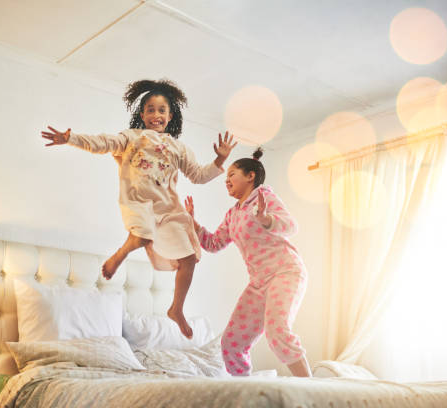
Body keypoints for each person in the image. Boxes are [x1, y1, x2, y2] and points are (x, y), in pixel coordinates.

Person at [41, 79, 237, 339]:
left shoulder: (178, 147)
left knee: (189, 257)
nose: (156, 115)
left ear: (170, 116)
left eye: (161, 110)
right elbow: (103, 143)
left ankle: (176, 308)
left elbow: (199, 175)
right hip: (138, 201)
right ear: (142, 114)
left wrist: (220, 159)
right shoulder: (131, 137)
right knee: (143, 236)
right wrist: (70, 138)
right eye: (151, 109)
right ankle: (122, 252)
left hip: (168, 207)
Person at [184, 148, 311, 377]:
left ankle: (312, 390)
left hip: (285, 272)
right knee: (231, 343)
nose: (227, 180)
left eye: (232, 174)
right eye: (226, 177)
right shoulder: (233, 214)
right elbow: (214, 244)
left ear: (250, 175)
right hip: (259, 283)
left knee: (278, 331)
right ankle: (246, 392)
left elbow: (291, 226)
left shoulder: (265, 197)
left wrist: (266, 218)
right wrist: (193, 223)